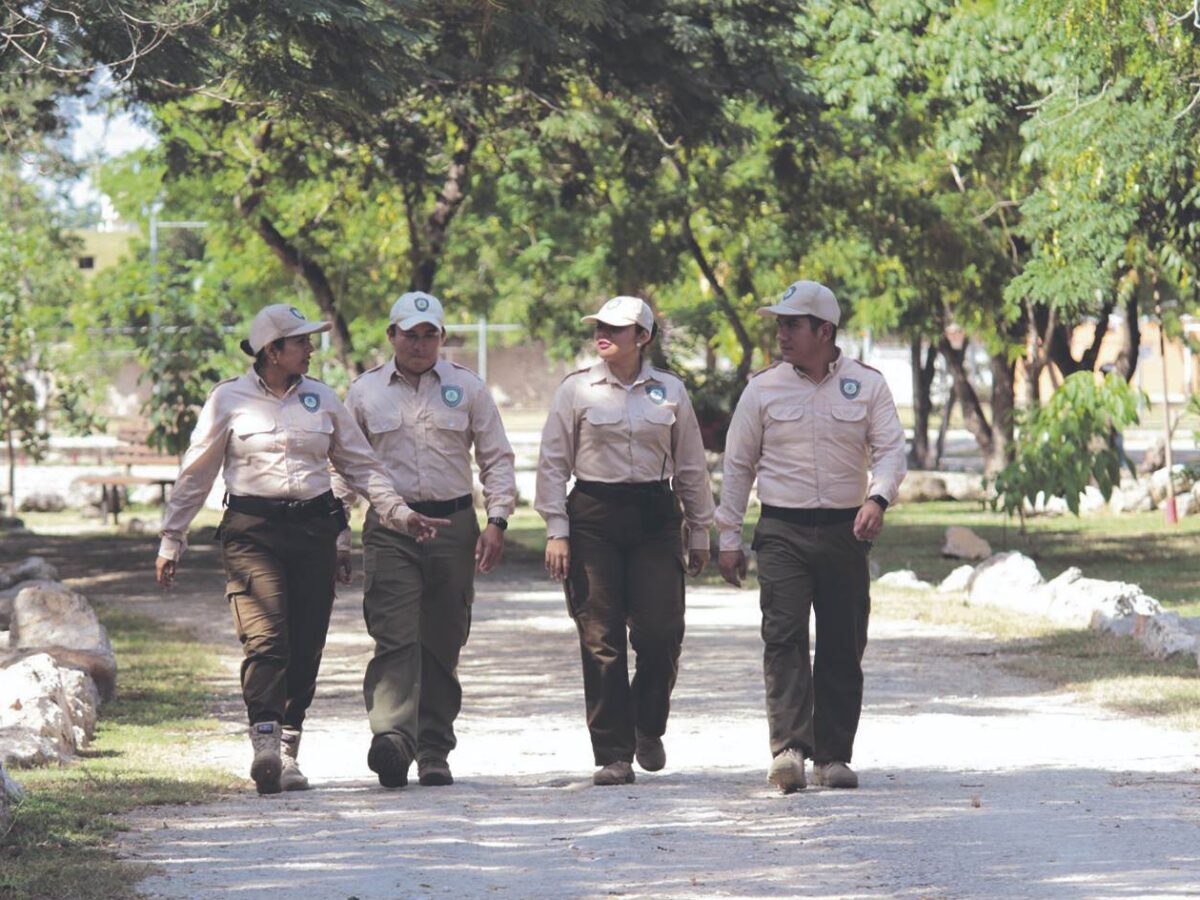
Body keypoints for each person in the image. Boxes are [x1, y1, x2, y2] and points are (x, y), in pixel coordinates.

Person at [155, 304, 447, 795]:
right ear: (273, 350)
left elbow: (361, 465)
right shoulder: (228, 399)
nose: (311, 349)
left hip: (313, 530)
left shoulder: (323, 400)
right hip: (252, 530)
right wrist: (172, 538)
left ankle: (289, 747)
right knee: (266, 639)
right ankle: (265, 739)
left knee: (306, 640)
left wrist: (400, 512)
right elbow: (196, 471)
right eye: (301, 342)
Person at [715, 280, 906, 793]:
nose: (781, 333)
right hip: (781, 529)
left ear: (825, 330)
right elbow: (738, 465)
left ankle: (833, 756)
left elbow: (890, 450)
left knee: (844, 641)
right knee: (784, 639)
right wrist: (727, 537)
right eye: (779, 323)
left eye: (792, 324)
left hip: (846, 530)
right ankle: (790, 751)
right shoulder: (763, 388)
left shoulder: (867, 385)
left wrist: (878, 498)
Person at [333, 291, 516, 789]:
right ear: (391, 335)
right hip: (392, 529)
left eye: (429, 334)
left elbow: (496, 457)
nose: (419, 344)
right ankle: (393, 739)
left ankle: (434, 747)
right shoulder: (366, 392)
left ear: (441, 337)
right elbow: (347, 464)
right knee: (393, 633)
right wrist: (338, 533)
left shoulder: (468, 388)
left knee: (443, 638)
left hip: (454, 526)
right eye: (409, 334)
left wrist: (497, 519)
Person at [536, 296, 715, 786]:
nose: (604, 335)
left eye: (617, 329)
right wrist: (557, 530)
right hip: (593, 516)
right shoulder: (576, 391)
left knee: (661, 635)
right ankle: (612, 753)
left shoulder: (670, 391)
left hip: (656, 517)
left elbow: (692, 465)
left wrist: (699, 529)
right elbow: (553, 462)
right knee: (601, 640)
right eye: (600, 327)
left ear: (643, 337)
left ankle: (647, 724)